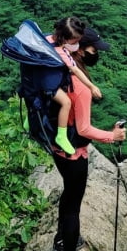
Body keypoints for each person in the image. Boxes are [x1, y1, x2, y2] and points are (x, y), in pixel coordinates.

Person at [51, 25, 127, 251]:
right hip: (73, 153)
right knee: (73, 206)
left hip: (57, 147)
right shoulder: (79, 87)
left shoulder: (59, 71)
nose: (98, 54)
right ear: (80, 50)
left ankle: (61, 240)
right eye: (94, 49)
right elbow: (83, 128)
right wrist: (112, 136)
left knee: (68, 195)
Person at [46, 17, 103, 156]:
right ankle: (61, 135)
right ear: (65, 39)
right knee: (66, 102)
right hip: (47, 84)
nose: (76, 44)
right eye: (75, 41)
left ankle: (31, 122)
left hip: (38, 81)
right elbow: (84, 129)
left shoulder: (47, 40)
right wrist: (91, 86)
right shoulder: (61, 53)